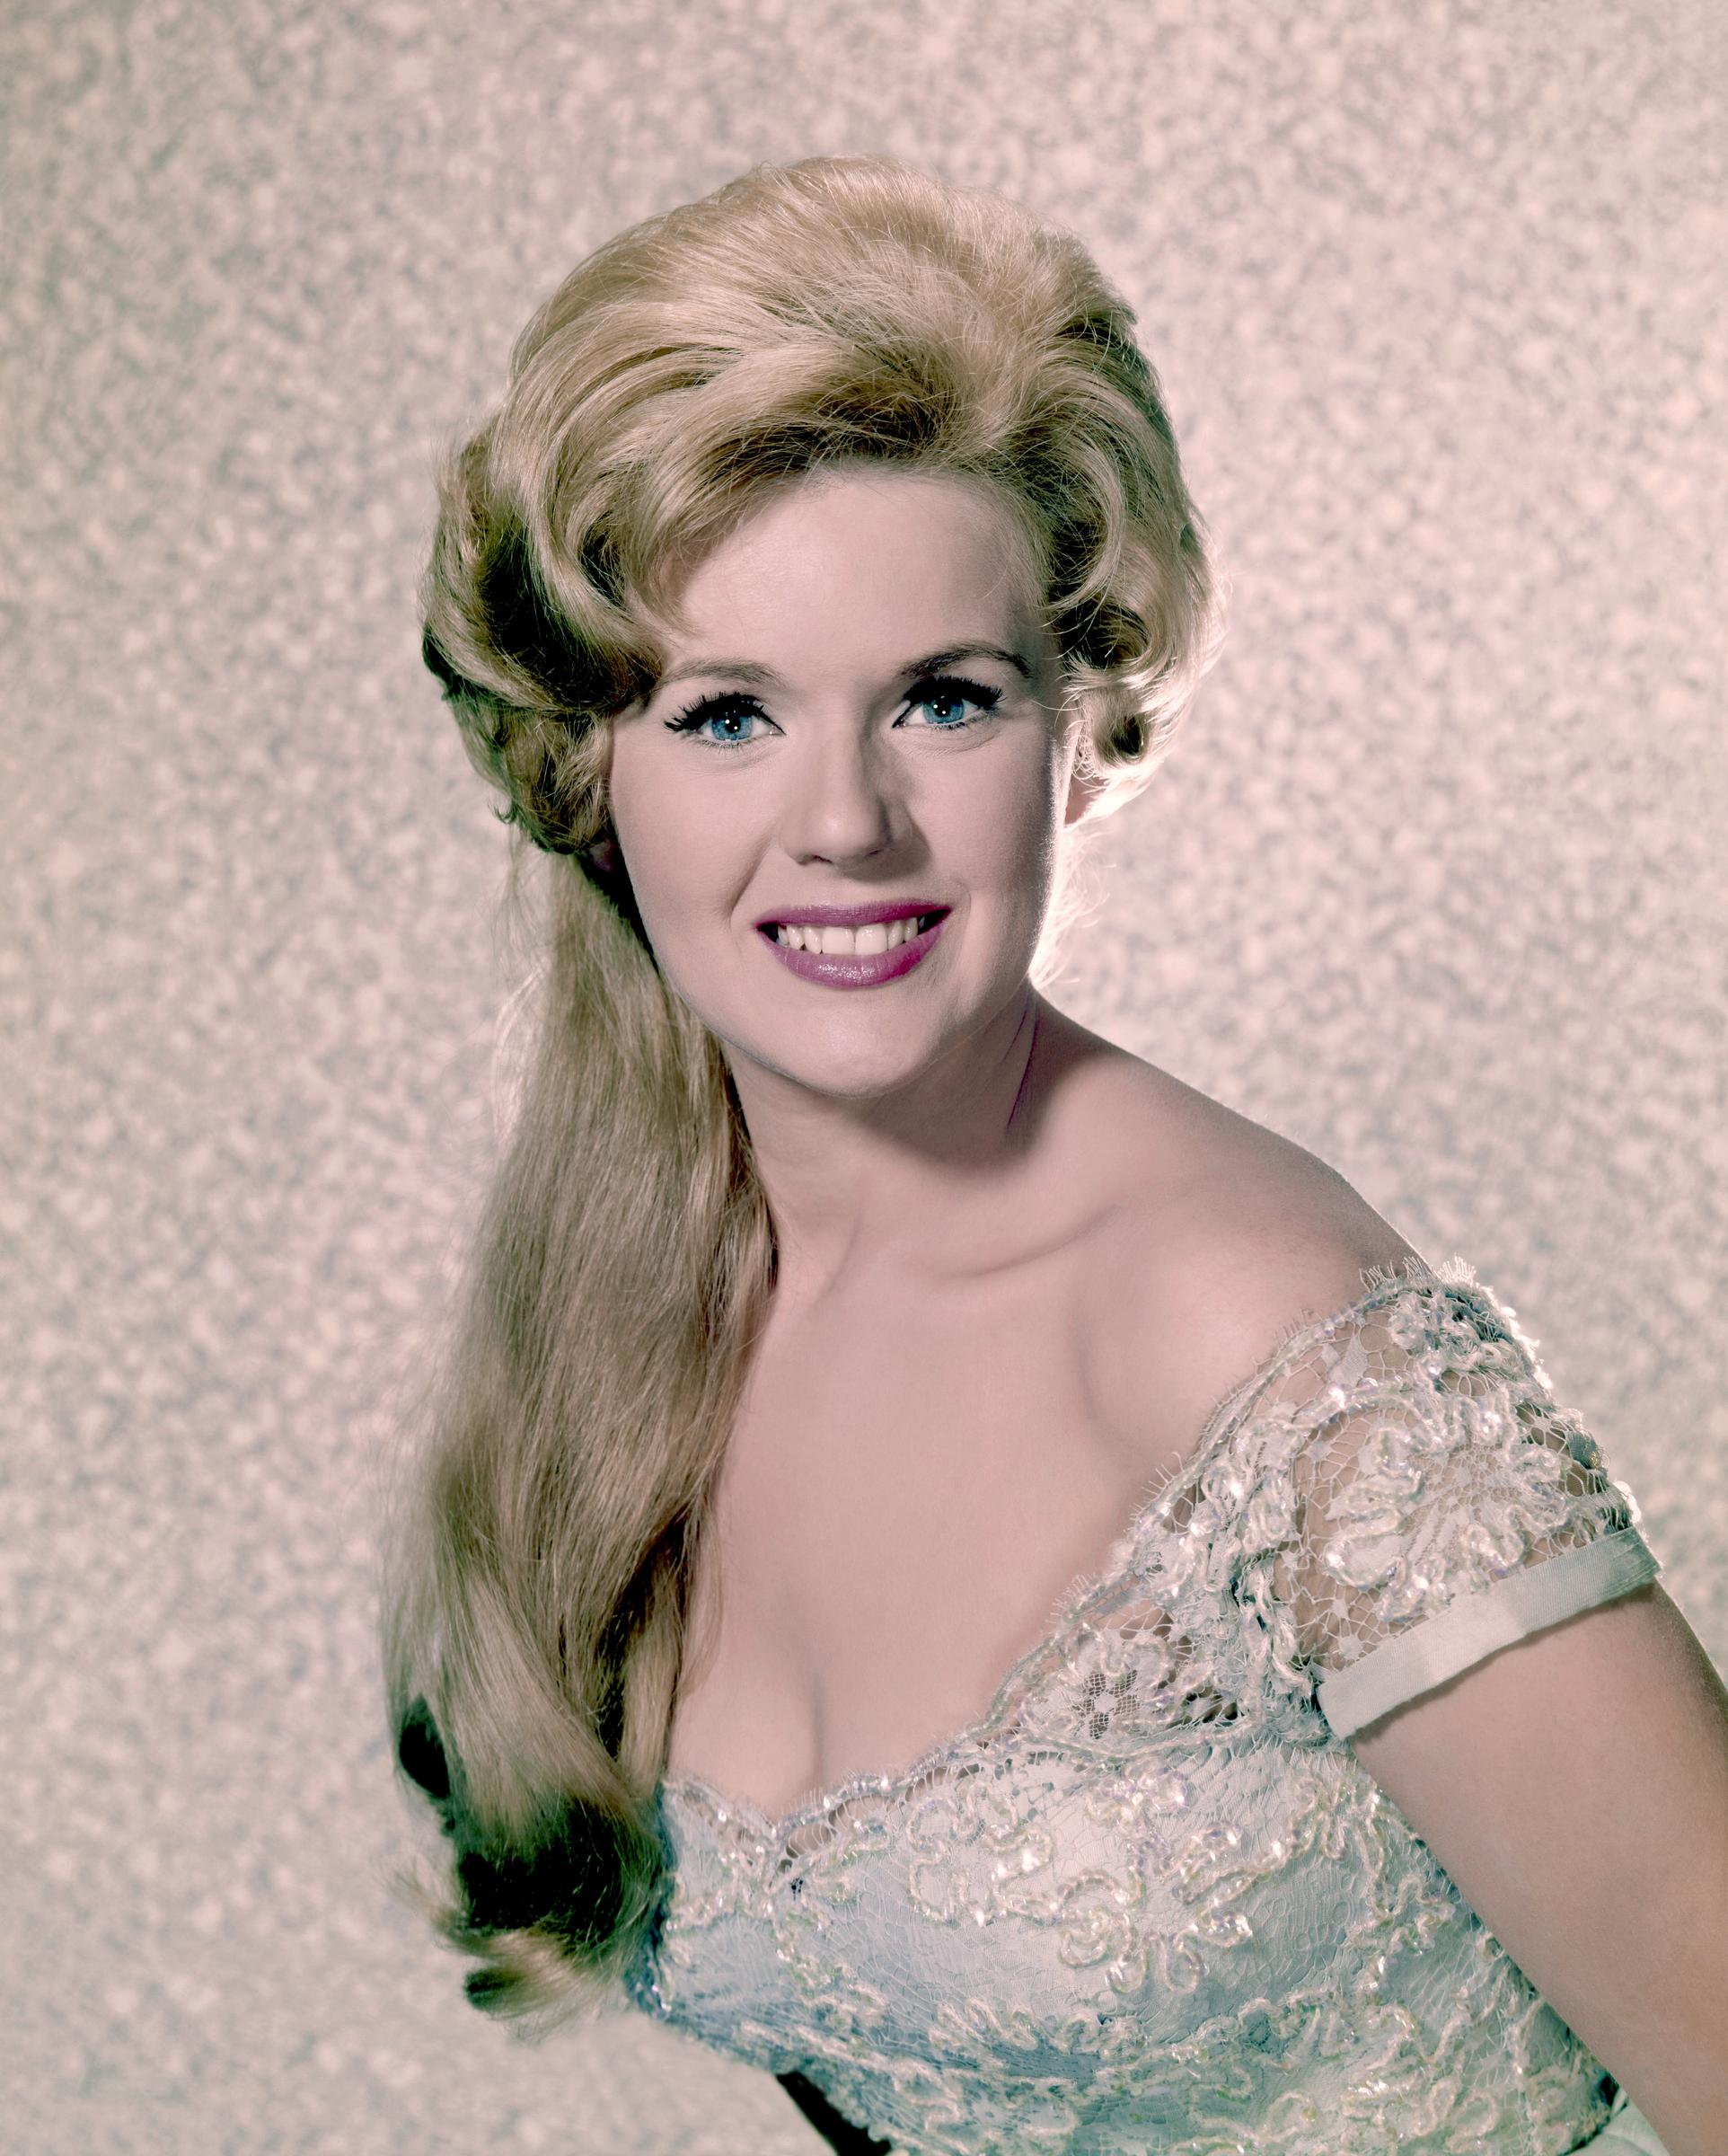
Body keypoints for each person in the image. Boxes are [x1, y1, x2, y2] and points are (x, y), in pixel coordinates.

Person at [382, 154, 1726, 2154]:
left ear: (1078, 734)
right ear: (590, 768)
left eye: (942, 698)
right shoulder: (643, 1303)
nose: (842, 824)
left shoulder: (1283, 1364)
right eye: (728, 714)